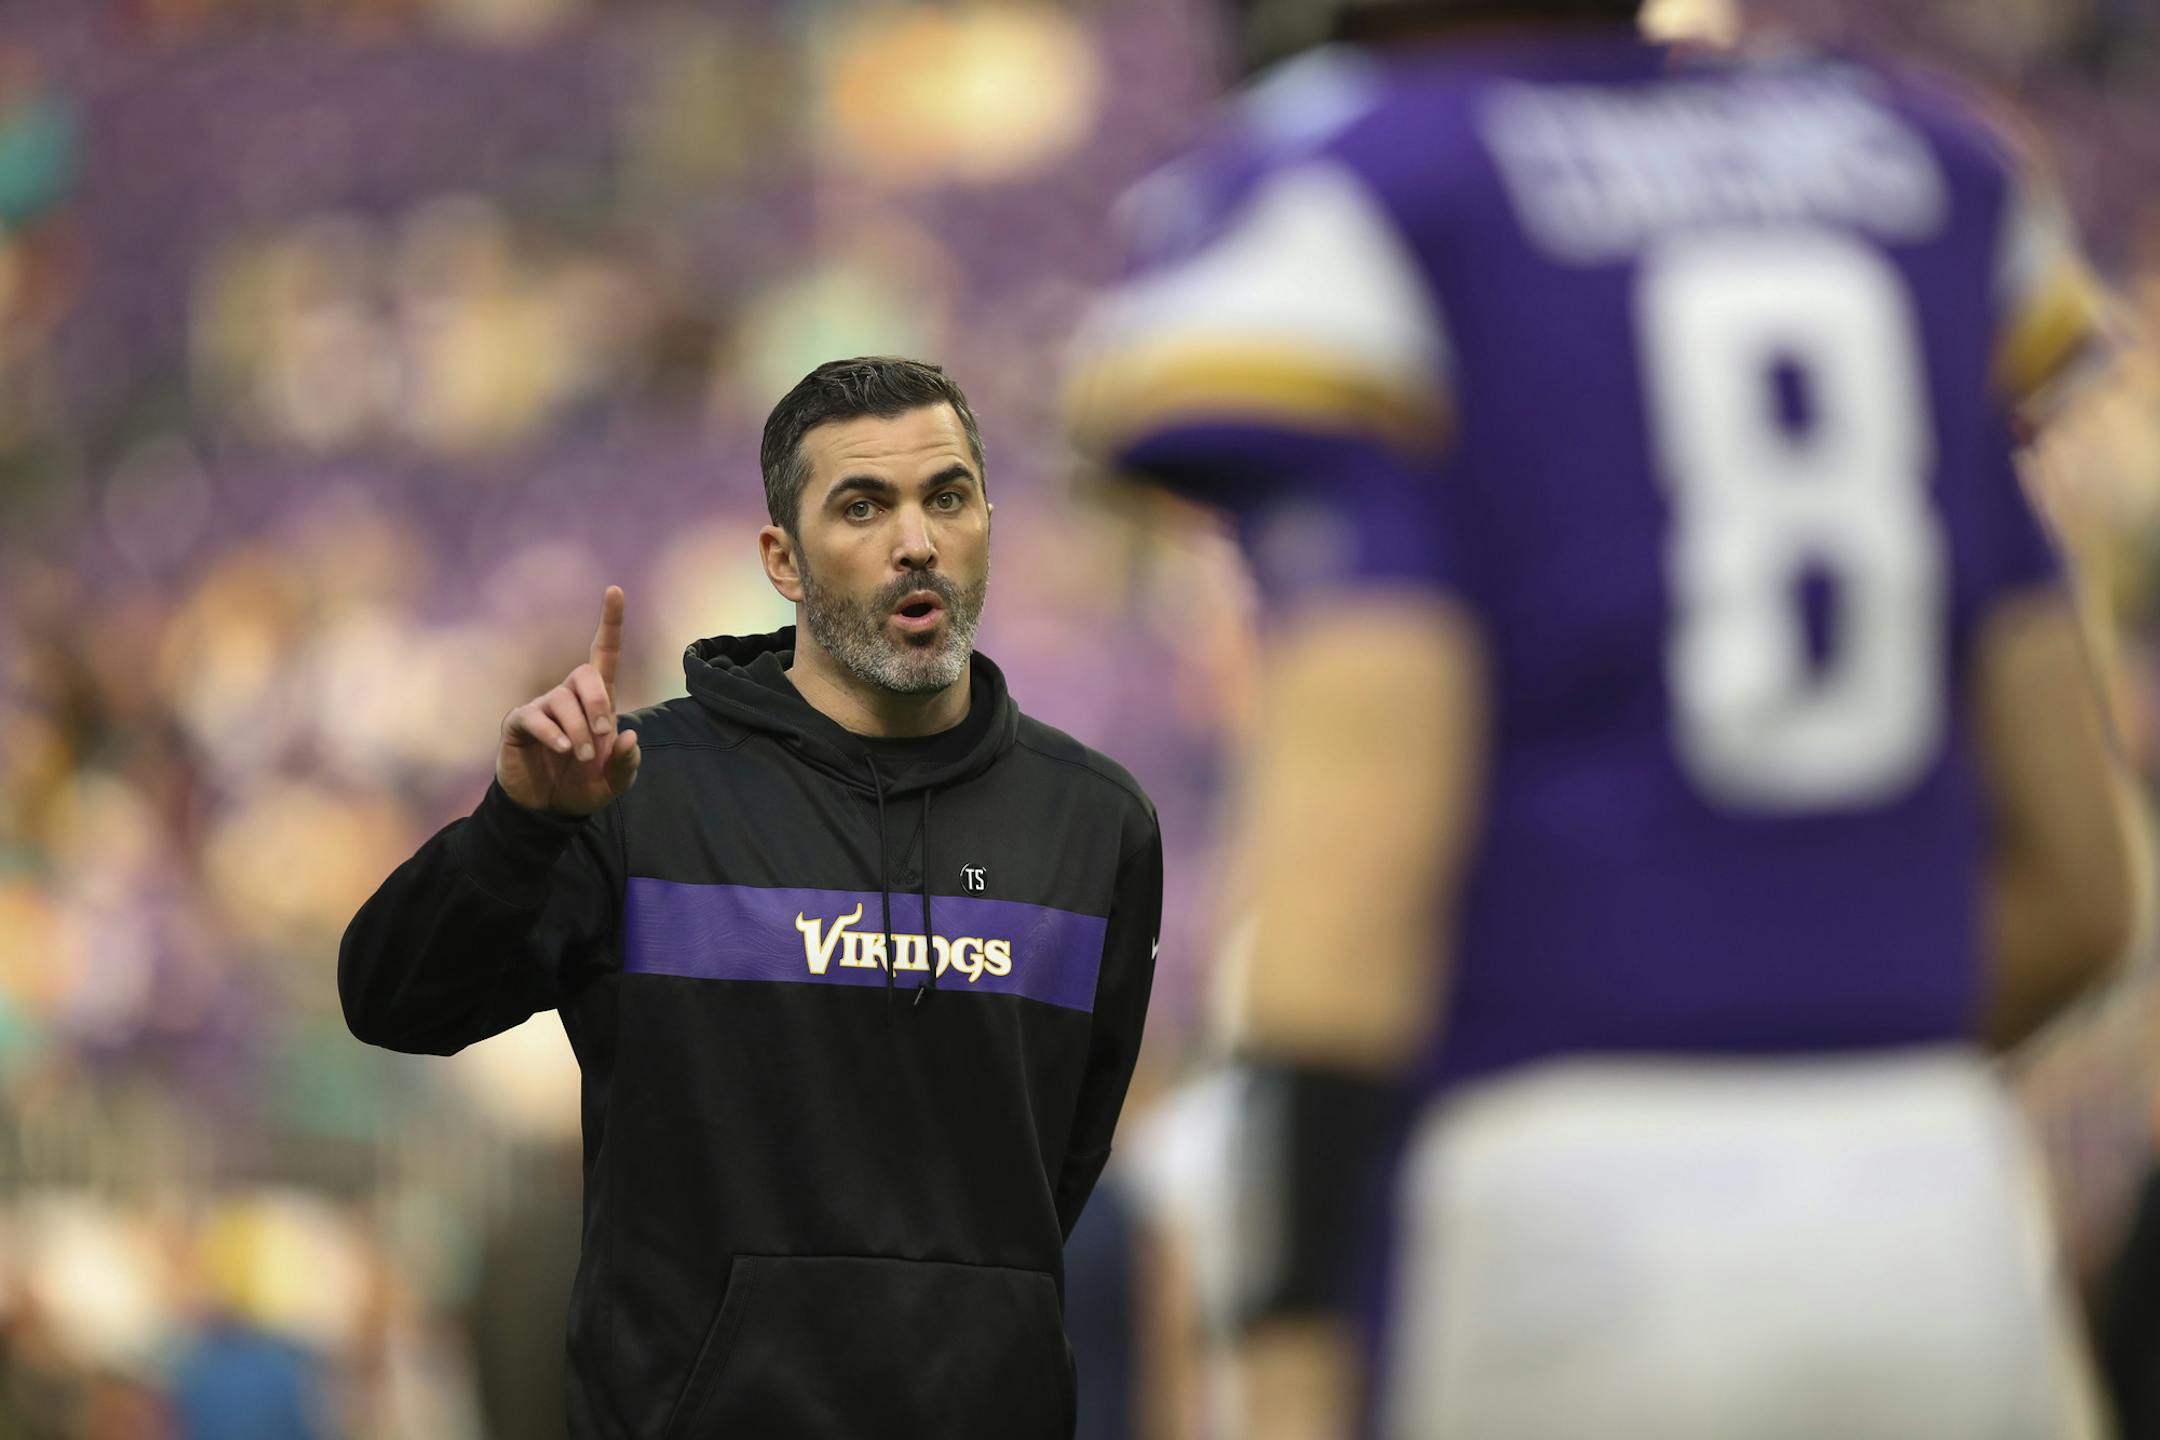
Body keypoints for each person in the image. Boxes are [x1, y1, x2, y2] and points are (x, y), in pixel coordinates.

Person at [1069, 3, 2143, 1437]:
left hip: (1550, 1221)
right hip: (1941, 1206)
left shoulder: (1362, 186)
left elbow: (1355, 882)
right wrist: (1816, 1072)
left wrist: (1287, 1341)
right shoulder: (1925, 162)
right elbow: (2083, 891)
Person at [341, 356, 1162, 1440]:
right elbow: (394, 999)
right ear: (782, 558)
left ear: (987, 526)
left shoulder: (1096, 826)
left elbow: (1060, 1165)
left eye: (947, 498)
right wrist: (522, 826)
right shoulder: (638, 792)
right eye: (862, 506)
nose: (915, 541)